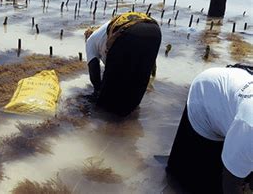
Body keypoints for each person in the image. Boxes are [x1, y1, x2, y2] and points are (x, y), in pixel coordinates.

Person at [166, 65, 253, 194]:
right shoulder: (248, 130)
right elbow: (231, 182)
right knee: (192, 183)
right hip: (206, 97)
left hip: (234, 90)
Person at [84, 12, 161, 117]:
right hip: (154, 31)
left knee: (105, 104)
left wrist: (98, 90)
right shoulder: (104, 31)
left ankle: (106, 125)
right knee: (137, 84)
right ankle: (131, 122)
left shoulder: (90, 40)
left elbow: (93, 68)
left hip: (129, 32)